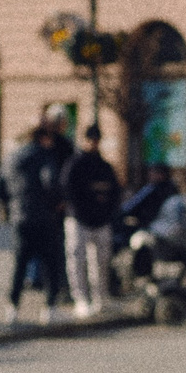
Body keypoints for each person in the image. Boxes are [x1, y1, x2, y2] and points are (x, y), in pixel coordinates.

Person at [0, 112, 71, 325]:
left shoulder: (13, 156)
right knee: (50, 262)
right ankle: (50, 309)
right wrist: (58, 203)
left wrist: (9, 206)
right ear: (44, 137)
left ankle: (13, 308)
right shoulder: (45, 156)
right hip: (44, 217)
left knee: (20, 264)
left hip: (20, 217)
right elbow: (51, 182)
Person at [60, 127, 122, 320]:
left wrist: (108, 211)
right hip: (79, 219)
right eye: (90, 139)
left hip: (100, 219)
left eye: (96, 140)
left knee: (101, 261)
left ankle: (100, 297)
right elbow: (66, 188)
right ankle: (80, 299)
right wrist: (78, 210)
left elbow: (114, 191)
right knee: (77, 260)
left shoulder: (104, 166)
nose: (93, 143)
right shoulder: (75, 164)